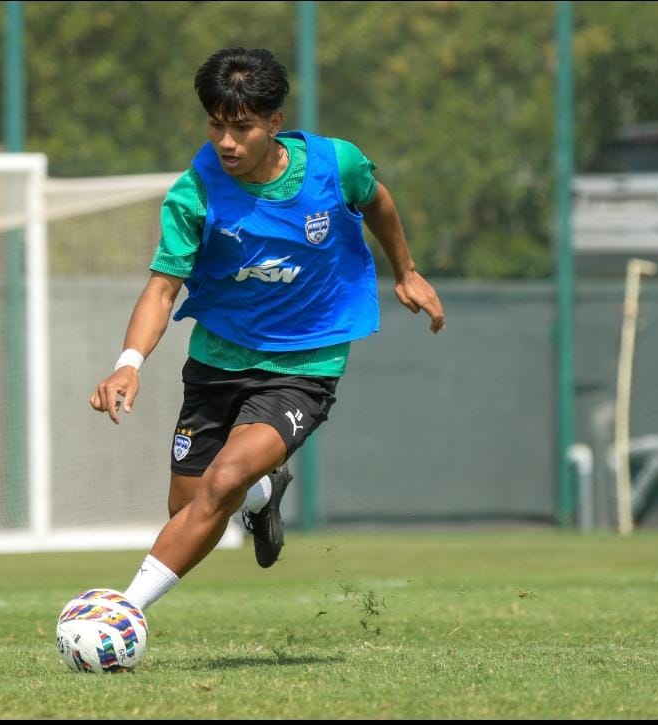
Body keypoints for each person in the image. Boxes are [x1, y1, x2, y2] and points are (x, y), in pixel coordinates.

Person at [89, 47, 445, 613]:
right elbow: (162, 288)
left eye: (242, 128)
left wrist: (405, 270)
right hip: (219, 359)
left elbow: (376, 199)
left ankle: (121, 611)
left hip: (304, 365)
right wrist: (128, 363)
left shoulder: (335, 165)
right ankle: (262, 493)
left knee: (222, 477)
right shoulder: (196, 192)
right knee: (189, 508)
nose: (226, 142)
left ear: (274, 123)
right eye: (215, 125)